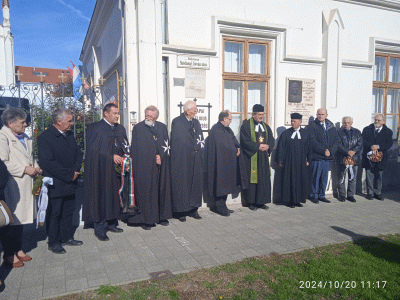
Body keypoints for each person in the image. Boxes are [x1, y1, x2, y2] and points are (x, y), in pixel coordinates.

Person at [37, 108, 84, 254]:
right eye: (69, 121)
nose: (72, 123)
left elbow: (78, 153)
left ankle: (66, 237)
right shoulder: (45, 137)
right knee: (55, 213)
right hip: (56, 182)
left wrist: (76, 171)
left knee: (68, 211)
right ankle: (54, 241)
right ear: (59, 121)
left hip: (71, 180)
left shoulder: (69, 135)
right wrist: (69, 174)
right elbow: (48, 163)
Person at [0, 108, 41, 268]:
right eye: (22, 122)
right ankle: (9, 254)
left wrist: (35, 167)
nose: (26, 124)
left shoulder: (24, 136)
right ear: (10, 123)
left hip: (27, 182)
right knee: (11, 220)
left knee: (21, 220)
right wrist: (24, 169)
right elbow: (2, 162)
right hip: (13, 184)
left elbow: (30, 156)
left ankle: (19, 249)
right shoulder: (3, 137)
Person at [82, 103, 129, 241]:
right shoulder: (95, 128)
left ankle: (112, 222)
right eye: (114, 113)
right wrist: (110, 156)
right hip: (101, 170)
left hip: (117, 170)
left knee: (114, 197)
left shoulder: (120, 128)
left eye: (118, 113)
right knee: (101, 197)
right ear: (106, 114)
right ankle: (100, 227)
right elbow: (93, 150)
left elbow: (124, 145)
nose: (117, 116)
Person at [128, 106, 172, 230]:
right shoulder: (138, 128)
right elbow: (137, 148)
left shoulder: (162, 127)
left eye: (151, 116)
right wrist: (152, 157)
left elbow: (165, 145)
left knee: (161, 189)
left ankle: (161, 216)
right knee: (146, 192)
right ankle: (146, 219)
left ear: (156, 117)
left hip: (160, 166)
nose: (148, 117)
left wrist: (160, 156)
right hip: (144, 166)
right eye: (147, 115)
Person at [205, 110, 248, 216]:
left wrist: (238, 148)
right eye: (229, 119)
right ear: (224, 119)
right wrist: (234, 151)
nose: (230, 121)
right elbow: (223, 146)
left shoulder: (227, 129)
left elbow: (233, 140)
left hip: (227, 163)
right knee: (220, 186)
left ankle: (223, 206)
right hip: (219, 164)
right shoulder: (217, 130)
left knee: (226, 185)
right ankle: (219, 207)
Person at [171, 100, 204, 222]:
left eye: (196, 110)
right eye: (194, 110)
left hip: (195, 158)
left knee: (195, 183)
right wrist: (191, 148)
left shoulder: (196, 122)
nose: (195, 112)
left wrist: (198, 149)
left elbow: (200, 137)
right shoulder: (177, 121)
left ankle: (193, 209)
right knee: (183, 184)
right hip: (183, 159)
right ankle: (181, 211)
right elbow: (179, 140)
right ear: (187, 110)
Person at [240, 104, 275, 210]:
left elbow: (272, 138)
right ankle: (251, 202)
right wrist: (258, 146)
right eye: (259, 114)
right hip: (252, 158)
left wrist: (268, 146)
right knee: (252, 181)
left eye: (262, 114)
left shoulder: (265, 126)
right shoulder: (246, 126)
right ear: (253, 114)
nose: (261, 116)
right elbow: (245, 141)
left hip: (263, 157)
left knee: (263, 179)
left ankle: (261, 202)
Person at [275, 113, 311, 208]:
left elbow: (309, 148)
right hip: (289, 162)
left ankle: (297, 200)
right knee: (289, 180)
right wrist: (281, 161)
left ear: (300, 122)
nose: (293, 123)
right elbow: (281, 148)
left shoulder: (305, 133)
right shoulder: (286, 133)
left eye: (295, 121)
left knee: (300, 180)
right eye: (291, 121)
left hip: (301, 162)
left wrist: (308, 160)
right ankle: (289, 201)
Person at [307, 108, 338, 203]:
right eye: (319, 114)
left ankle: (321, 195)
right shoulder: (312, 126)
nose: (320, 116)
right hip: (317, 156)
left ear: (326, 115)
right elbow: (312, 141)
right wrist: (323, 150)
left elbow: (336, 141)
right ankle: (314, 195)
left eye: (322, 114)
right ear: (316, 115)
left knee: (324, 178)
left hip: (328, 157)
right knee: (315, 177)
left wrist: (331, 151)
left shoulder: (331, 126)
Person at [362, 114, 393, 200]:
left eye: (379, 120)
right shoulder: (367, 129)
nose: (376, 122)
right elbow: (363, 140)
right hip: (369, 156)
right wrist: (371, 146)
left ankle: (377, 192)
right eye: (375, 120)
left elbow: (389, 144)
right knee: (369, 174)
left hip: (381, 157)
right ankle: (370, 193)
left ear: (383, 121)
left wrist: (378, 147)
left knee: (379, 175)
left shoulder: (388, 131)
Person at [336, 116, 363, 203]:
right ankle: (342, 195)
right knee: (341, 177)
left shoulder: (357, 132)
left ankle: (351, 195)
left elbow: (360, 144)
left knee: (352, 177)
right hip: (342, 157)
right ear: (342, 123)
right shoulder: (339, 132)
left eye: (348, 123)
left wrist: (353, 152)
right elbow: (338, 144)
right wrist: (348, 152)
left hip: (354, 158)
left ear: (351, 123)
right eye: (344, 123)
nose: (346, 124)